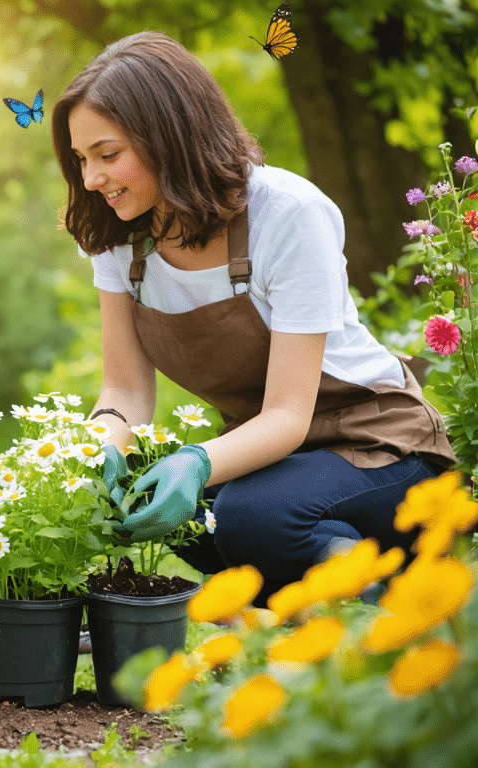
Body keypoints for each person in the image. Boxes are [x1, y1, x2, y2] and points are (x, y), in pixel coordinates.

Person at [51, 31, 456, 607]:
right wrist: (98, 457)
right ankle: (325, 597)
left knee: (247, 515)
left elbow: (289, 414)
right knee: (172, 510)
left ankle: (394, 600)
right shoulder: (121, 238)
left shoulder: (288, 214)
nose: (91, 179)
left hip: (379, 448)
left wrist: (196, 461)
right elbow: (123, 390)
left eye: (108, 155)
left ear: (169, 136)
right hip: (273, 460)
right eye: (81, 159)